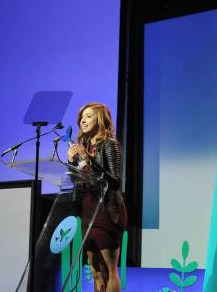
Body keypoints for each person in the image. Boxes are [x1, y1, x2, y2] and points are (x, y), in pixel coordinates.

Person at [67, 102, 127, 292]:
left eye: (89, 116)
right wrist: (71, 162)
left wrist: (89, 159)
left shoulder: (110, 144)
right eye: (82, 117)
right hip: (88, 210)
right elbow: (76, 181)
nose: (83, 120)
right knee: (95, 272)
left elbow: (115, 181)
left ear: (100, 119)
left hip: (107, 211)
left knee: (109, 270)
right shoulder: (82, 147)